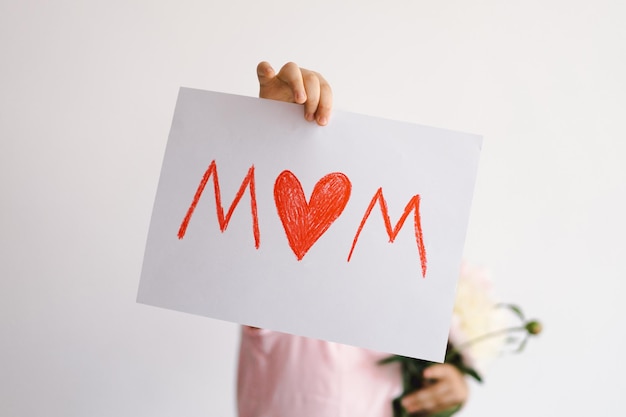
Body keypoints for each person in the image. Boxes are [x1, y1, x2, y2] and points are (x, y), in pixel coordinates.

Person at [236, 61, 469, 417]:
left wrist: (453, 387)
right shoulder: (292, 287)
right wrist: (276, 136)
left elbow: (429, 381)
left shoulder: (415, 294)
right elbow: (261, 260)